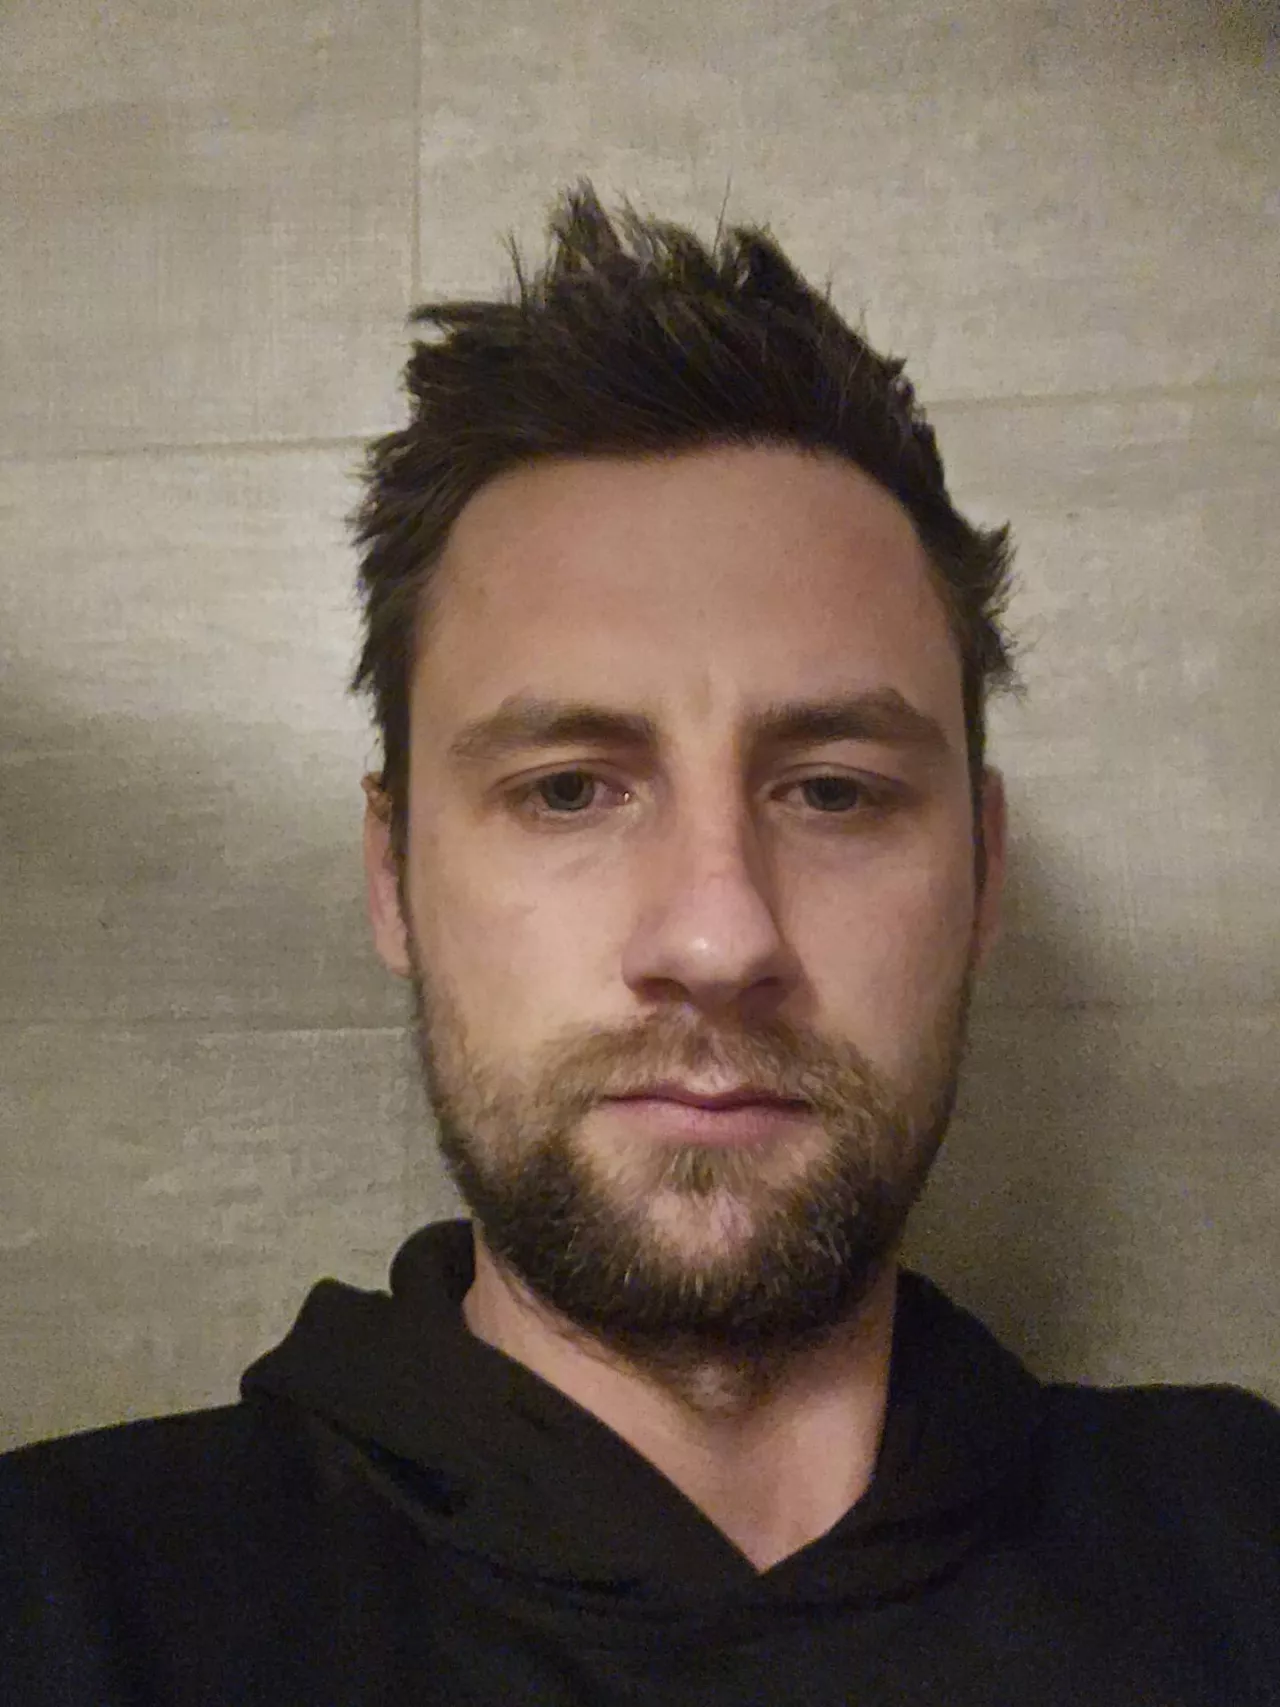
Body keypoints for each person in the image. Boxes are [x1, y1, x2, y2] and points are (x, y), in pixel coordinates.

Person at [2, 184, 1277, 1707]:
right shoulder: (64, 1602)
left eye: (833, 790)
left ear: (984, 873)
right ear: (393, 876)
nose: (720, 936)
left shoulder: (1240, 1543)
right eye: (568, 790)